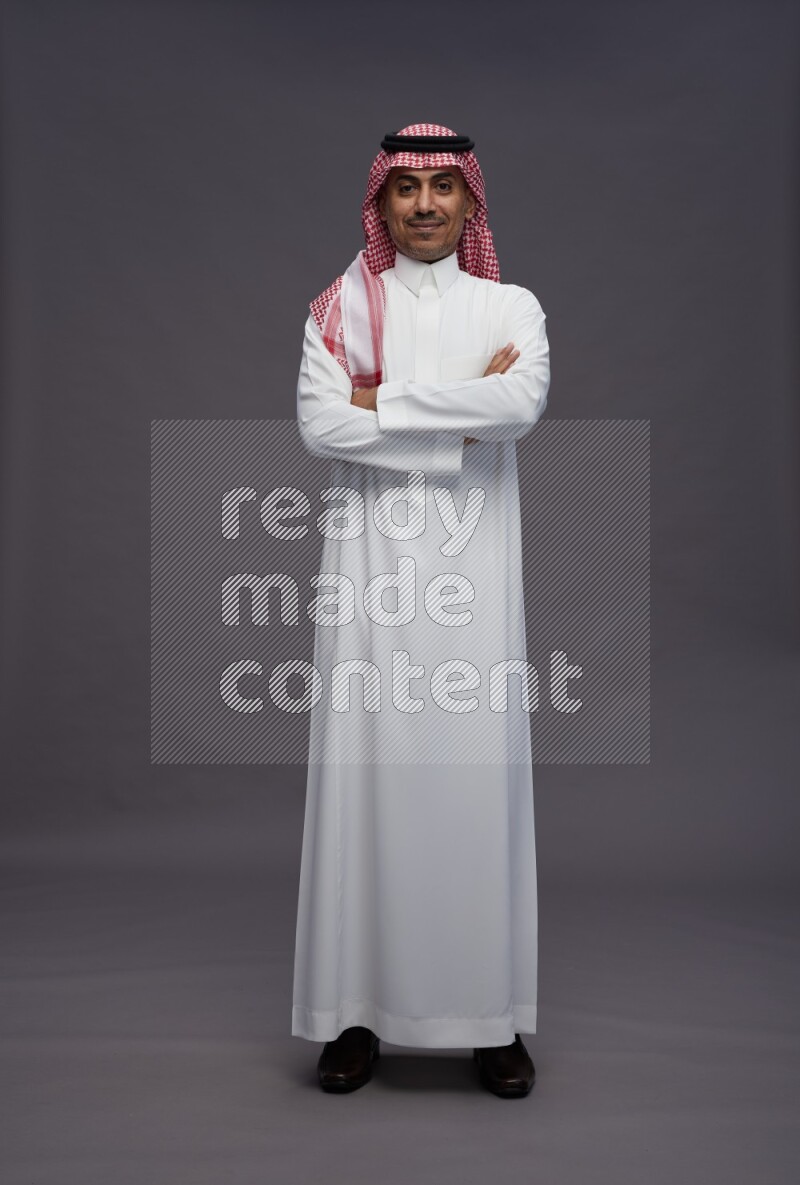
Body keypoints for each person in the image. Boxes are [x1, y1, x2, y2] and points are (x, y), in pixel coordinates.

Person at [291, 123, 551, 1098]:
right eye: (408, 188)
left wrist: (380, 402)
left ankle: (489, 1019)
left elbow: (519, 406)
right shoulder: (340, 306)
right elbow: (319, 425)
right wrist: (456, 414)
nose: (427, 204)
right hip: (368, 583)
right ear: (382, 203)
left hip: (475, 583)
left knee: (475, 788)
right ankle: (352, 1016)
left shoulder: (509, 305)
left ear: (470, 201)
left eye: (445, 186)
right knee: (363, 788)